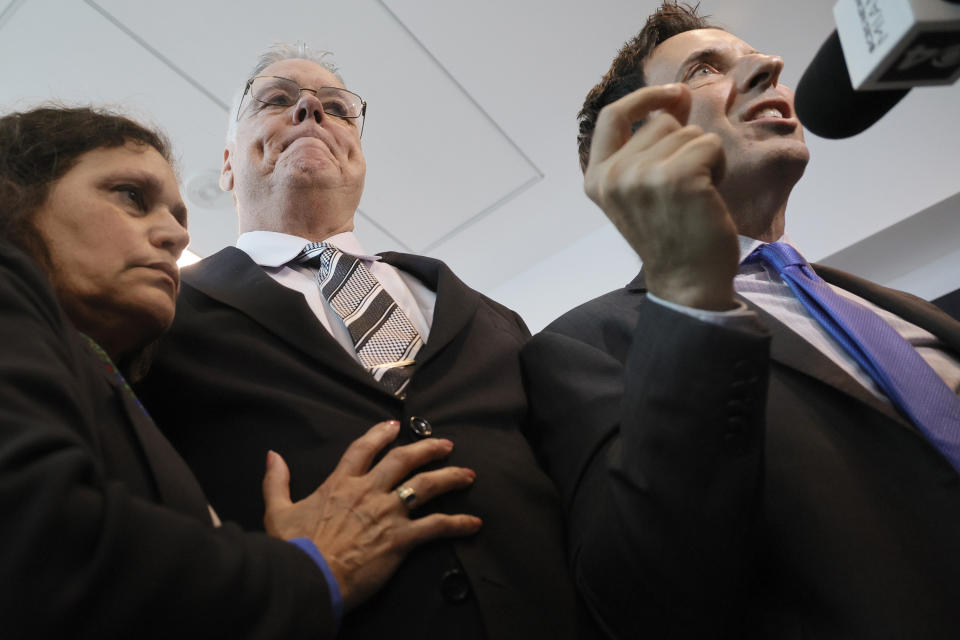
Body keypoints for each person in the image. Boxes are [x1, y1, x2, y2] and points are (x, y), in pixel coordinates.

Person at [520, 3, 960, 639]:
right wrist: (689, 294)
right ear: (639, 143)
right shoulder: (581, 345)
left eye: (756, 57)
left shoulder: (888, 306)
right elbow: (651, 603)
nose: (771, 66)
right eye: (705, 69)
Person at [136, 45, 581, 639]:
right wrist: (277, 576)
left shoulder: (490, 315)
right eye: (276, 99)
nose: (311, 109)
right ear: (226, 164)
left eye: (339, 109)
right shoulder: (160, 313)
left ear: (357, 155)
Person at [0, 105, 482, 639]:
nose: (175, 236)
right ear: (16, 194)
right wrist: (310, 571)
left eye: (180, 218)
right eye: (132, 197)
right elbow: (42, 542)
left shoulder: (96, 372)